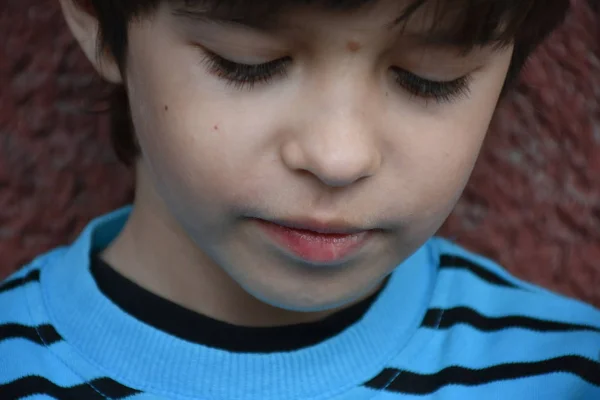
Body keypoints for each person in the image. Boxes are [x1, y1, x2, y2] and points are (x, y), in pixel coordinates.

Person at [1, 0, 599, 399]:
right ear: (93, 18)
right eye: (249, 65)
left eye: (430, 77)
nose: (338, 157)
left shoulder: (570, 373)